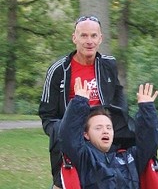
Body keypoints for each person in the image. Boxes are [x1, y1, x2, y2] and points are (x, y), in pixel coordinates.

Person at [39, 16, 131, 189]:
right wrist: (63, 133)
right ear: (75, 38)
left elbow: (118, 94)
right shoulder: (59, 70)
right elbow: (47, 116)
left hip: (102, 134)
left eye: (94, 36)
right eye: (84, 36)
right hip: (72, 138)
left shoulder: (108, 65)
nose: (89, 41)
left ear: (100, 38)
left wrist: (118, 123)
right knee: (68, 183)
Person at [59, 79, 158, 188]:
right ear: (86, 134)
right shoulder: (84, 156)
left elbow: (149, 142)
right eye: (98, 128)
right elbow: (69, 136)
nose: (105, 131)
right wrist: (79, 102)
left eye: (109, 127)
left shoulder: (130, 156)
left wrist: (147, 108)